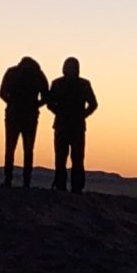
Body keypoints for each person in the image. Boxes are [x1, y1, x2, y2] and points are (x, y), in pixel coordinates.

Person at [45, 56, 98, 193]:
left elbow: (93, 104)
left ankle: (72, 186)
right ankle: (68, 186)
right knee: (67, 158)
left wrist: (80, 115)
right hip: (69, 125)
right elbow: (49, 103)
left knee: (72, 158)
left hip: (71, 126)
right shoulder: (64, 84)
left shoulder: (75, 84)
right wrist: (80, 115)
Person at [0, 56, 48, 188]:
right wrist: (34, 105)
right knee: (28, 149)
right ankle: (26, 182)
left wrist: (13, 103)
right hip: (29, 116)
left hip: (14, 115)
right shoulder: (38, 75)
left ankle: (8, 180)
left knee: (10, 148)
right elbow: (46, 97)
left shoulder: (12, 72)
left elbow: (2, 93)